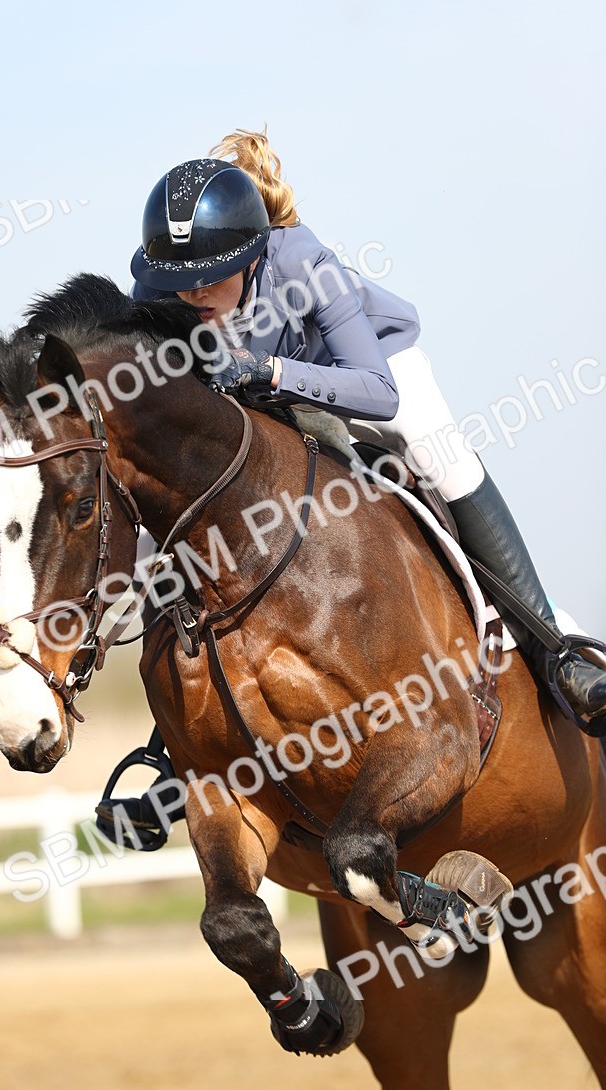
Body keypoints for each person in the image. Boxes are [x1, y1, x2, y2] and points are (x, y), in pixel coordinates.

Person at [129, 129, 606, 734]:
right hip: (258, 400)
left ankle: (556, 652)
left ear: (251, 257)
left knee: (441, 452)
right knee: (156, 527)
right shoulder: (158, 289)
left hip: (364, 370)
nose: (192, 292)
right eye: (179, 278)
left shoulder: (304, 265)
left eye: (210, 275)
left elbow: (379, 391)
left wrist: (271, 371)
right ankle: (169, 741)